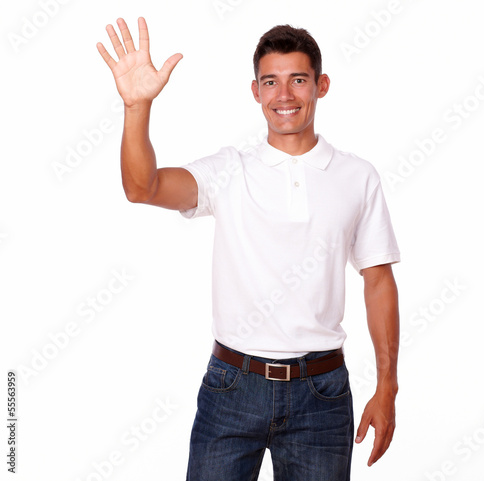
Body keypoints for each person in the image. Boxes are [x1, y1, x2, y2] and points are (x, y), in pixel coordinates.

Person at [97, 17, 401, 481]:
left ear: (321, 86)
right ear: (255, 92)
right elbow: (143, 186)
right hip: (232, 387)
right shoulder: (229, 171)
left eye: (298, 80)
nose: (284, 95)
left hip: (321, 393)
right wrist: (137, 107)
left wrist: (387, 386)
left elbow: (378, 281)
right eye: (270, 82)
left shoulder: (357, 177)